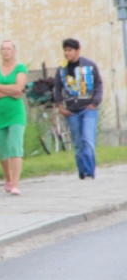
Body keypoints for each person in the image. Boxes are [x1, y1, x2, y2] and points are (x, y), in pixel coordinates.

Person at [54, 38, 103, 180]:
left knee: (88, 138)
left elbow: (99, 84)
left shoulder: (89, 66)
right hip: (71, 111)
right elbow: (57, 88)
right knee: (78, 142)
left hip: (88, 109)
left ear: (77, 51)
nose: (67, 53)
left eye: (69, 50)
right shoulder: (62, 69)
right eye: (65, 50)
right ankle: (82, 171)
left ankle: (89, 171)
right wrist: (60, 106)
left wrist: (95, 103)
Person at [0, 41, 28, 195]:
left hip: (16, 113)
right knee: (2, 150)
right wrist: (9, 91)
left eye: (9, 48)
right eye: (3, 48)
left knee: (15, 147)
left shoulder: (20, 68)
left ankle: (15, 184)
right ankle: (8, 177)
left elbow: (19, 88)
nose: (6, 51)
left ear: (14, 51)